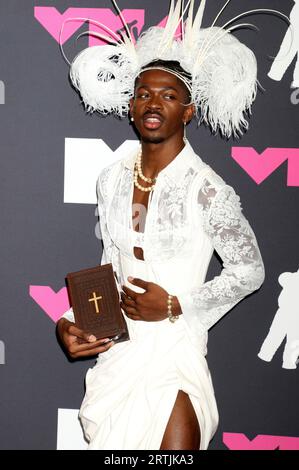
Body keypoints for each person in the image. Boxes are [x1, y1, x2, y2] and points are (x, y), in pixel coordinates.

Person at [56, 0, 287, 450]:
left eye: (168, 95)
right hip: (118, 355)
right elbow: (112, 262)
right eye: (143, 93)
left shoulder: (207, 189)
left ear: (188, 112)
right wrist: (72, 321)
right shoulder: (112, 178)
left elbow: (249, 271)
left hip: (175, 351)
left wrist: (176, 304)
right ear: (130, 107)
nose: (153, 102)